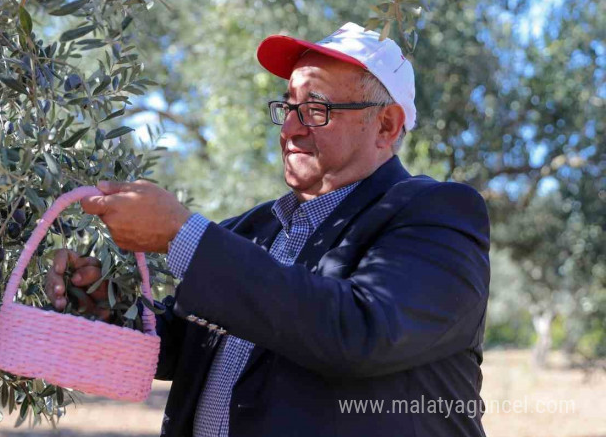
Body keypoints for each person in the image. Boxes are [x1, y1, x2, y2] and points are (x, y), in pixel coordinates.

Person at [44, 22, 490, 437]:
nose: (291, 128)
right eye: (289, 107)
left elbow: (361, 331)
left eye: (316, 109)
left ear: (386, 125)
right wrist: (110, 305)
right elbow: (187, 347)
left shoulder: (437, 213)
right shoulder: (254, 228)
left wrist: (183, 236)